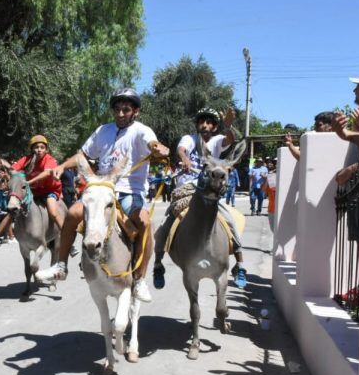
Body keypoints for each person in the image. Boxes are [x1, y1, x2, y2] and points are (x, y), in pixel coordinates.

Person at [35, 88, 170, 302]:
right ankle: (60, 266)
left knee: (145, 223)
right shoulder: (102, 130)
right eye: (117, 109)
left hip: (129, 191)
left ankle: (140, 279)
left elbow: (151, 143)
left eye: (126, 109)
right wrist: (62, 166)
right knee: (72, 213)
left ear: (136, 111)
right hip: (101, 188)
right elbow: (83, 155)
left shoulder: (141, 130)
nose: (120, 114)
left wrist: (158, 148)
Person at [153, 107, 247, 290]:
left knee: (228, 220)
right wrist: (184, 158)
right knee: (167, 221)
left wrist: (227, 125)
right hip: (186, 191)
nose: (205, 125)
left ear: (214, 127)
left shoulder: (218, 141)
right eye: (201, 122)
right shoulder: (190, 140)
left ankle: (240, 263)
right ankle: (158, 264)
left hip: (209, 192)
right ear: (197, 125)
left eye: (209, 122)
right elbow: (181, 149)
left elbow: (230, 140)